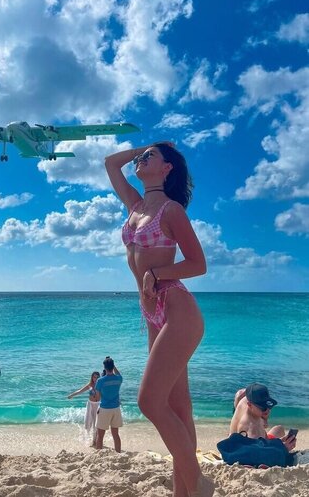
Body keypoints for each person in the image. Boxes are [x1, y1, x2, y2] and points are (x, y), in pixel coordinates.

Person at [105, 143, 214, 497]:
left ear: (167, 169)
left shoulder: (172, 210)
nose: (141, 159)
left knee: (149, 401)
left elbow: (198, 264)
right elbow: (110, 163)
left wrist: (156, 273)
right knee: (178, 408)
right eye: (142, 156)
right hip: (153, 313)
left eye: (151, 156)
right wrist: (147, 146)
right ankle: (183, 492)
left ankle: (198, 483)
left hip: (177, 308)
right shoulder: (135, 205)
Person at [229, 383, 297, 451]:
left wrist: (279, 442)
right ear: (249, 405)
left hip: (255, 442)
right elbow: (256, 454)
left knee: (279, 429)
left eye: (268, 406)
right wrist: (283, 448)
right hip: (248, 450)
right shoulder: (251, 428)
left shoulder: (248, 400)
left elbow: (241, 393)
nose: (267, 410)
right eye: (263, 407)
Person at [94, 357, 123, 452]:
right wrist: (113, 366)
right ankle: (118, 453)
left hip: (105, 409)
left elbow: (98, 398)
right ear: (113, 366)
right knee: (116, 434)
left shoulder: (100, 381)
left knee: (100, 435)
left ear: (104, 367)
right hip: (116, 409)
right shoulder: (119, 379)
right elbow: (118, 373)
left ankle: (99, 454)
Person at [67, 370, 101, 444]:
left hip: (98, 404)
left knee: (97, 423)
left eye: (97, 377)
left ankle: (95, 440)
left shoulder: (101, 385)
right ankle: (89, 438)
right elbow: (80, 391)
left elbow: (106, 394)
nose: (95, 379)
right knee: (89, 421)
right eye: (94, 377)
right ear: (92, 377)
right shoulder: (90, 385)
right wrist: (71, 395)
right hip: (90, 404)